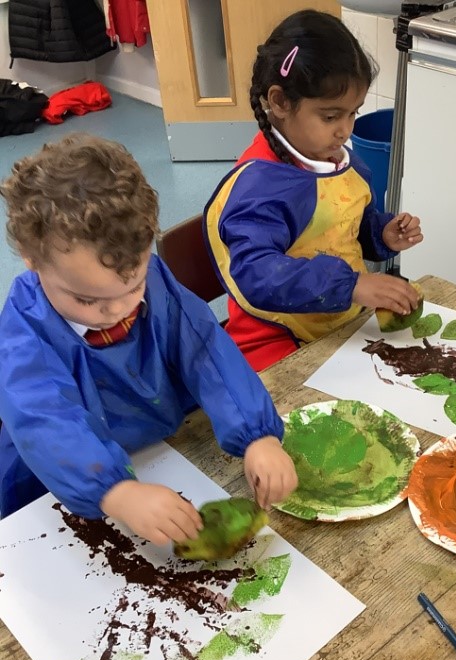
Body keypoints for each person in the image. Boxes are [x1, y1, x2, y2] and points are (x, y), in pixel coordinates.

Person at [0, 133, 298, 545]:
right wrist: (115, 492)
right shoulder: (25, 330)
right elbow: (45, 420)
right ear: (33, 262)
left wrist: (257, 434)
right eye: (88, 299)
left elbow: (205, 350)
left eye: (133, 286)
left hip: (164, 449)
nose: (116, 310)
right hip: (65, 478)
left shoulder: (153, 277)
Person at [203, 10, 423, 373]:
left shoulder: (340, 161)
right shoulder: (259, 188)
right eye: (330, 116)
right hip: (273, 334)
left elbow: (346, 228)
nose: (345, 131)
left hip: (336, 316)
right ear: (279, 102)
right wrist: (351, 285)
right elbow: (257, 273)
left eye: (353, 114)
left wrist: (380, 233)